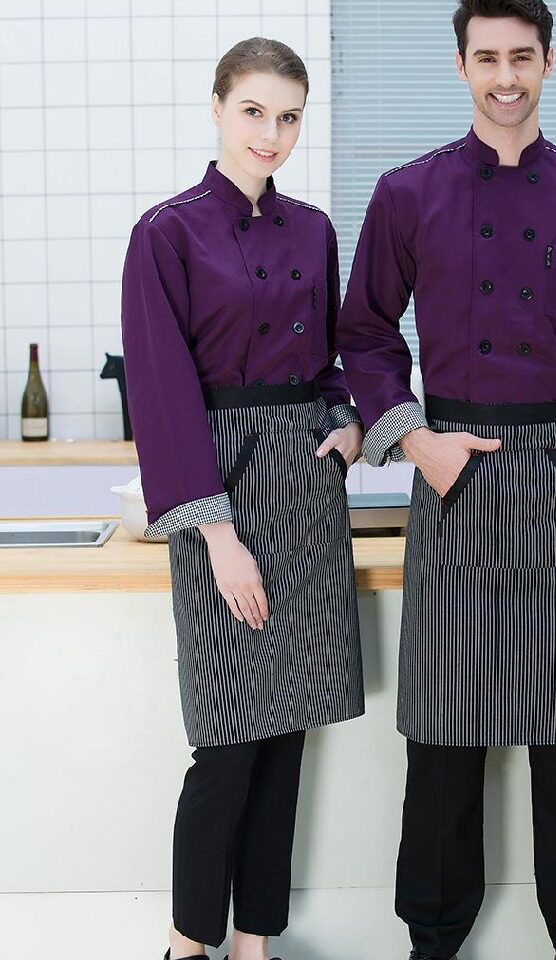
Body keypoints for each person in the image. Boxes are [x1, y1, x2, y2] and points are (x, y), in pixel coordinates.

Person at [336, 2, 556, 959]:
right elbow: (363, 331)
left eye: (521, 56)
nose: (505, 76)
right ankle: (433, 938)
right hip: (456, 482)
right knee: (444, 736)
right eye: (486, 58)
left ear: (549, 62)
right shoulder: (407, 193)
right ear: (462, 66)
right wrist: (415, 439)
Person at [120, 37, 365, 960]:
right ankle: (189, 943)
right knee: (225, 738)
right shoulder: (166, 232)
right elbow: (161, 393)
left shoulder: (314, 229)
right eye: (255, 111)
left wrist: (345, 422)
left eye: (289, 116)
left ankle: (257, 943)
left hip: (303, 487)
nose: (271, 133)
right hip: (217, 489)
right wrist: (218, 537)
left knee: (286, 735)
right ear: (218, 107)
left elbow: (332, 360)